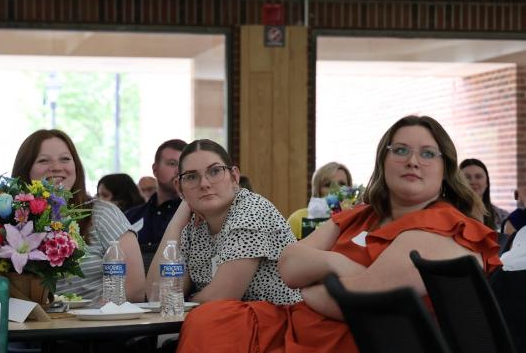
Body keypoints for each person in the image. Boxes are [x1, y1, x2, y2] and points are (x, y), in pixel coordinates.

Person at [176, 115, 501, 353]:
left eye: (428, 154)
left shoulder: (443, 225)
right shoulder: (362, 214)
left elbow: (362, 301)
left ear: (445, 169)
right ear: (383, 160)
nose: (413, 161)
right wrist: (338, 266)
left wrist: (313, 285)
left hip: (360, 339)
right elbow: (289, 263)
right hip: (298, 324)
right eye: (400, 150)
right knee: (212, 320)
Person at [145, 139, 301, 306]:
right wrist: (177, 220)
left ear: (234, 177)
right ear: (179, 186)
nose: (204, 184)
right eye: (191, 177)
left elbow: (222, 296)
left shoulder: (252, 209)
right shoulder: (192, 225)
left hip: (277, 323)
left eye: (215, 171)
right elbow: (158, 296)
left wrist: (185, 300)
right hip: (224, 323)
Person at [11, 129, 145, 302]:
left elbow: (135, 289)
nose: (57, 167)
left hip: (97, 324)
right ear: (25, 170)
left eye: (65, 159)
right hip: (35, 325)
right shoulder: (11, 221)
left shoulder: (102, 213)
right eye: (43, 160)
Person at [126, 139, 187, 271]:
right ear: (155, 169)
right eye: (172, 164)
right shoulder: (131, 216)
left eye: (183, 165)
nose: (178, 171)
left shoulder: (197, 215)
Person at [460, 158, 509, 230]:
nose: (473, 182)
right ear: (458, 183)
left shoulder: (502, 216)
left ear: (487, 183)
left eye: (478, 177)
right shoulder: (449, 213)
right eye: (467, 177)